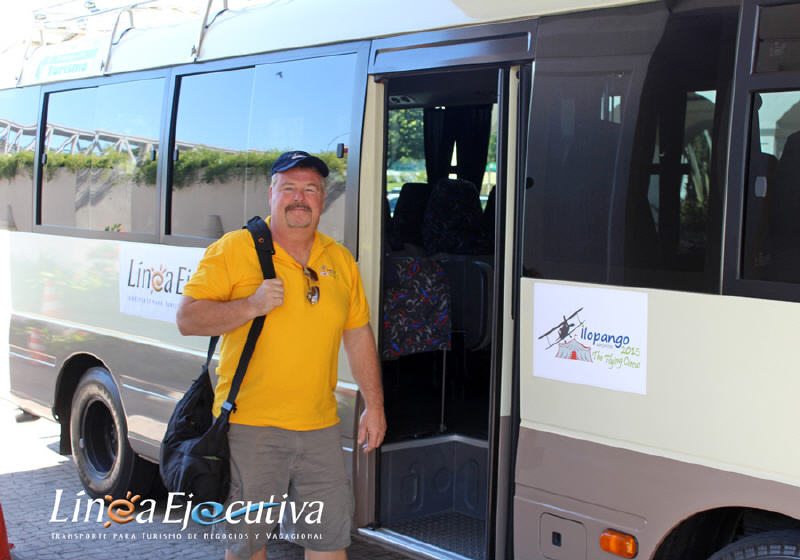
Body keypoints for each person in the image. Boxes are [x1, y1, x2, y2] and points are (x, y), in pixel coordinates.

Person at [176, 150, 386, 560]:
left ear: (323, 198)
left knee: (329, 542)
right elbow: (188, 318)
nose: (299, 198)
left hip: (320, 429)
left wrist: (374, 406)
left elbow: (359, 334)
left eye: (310, 189)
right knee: (249, 546)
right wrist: (251, 305)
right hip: (251, 428)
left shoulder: (339, 259)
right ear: (271, 193)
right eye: (289, 188)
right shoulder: (234, 249)